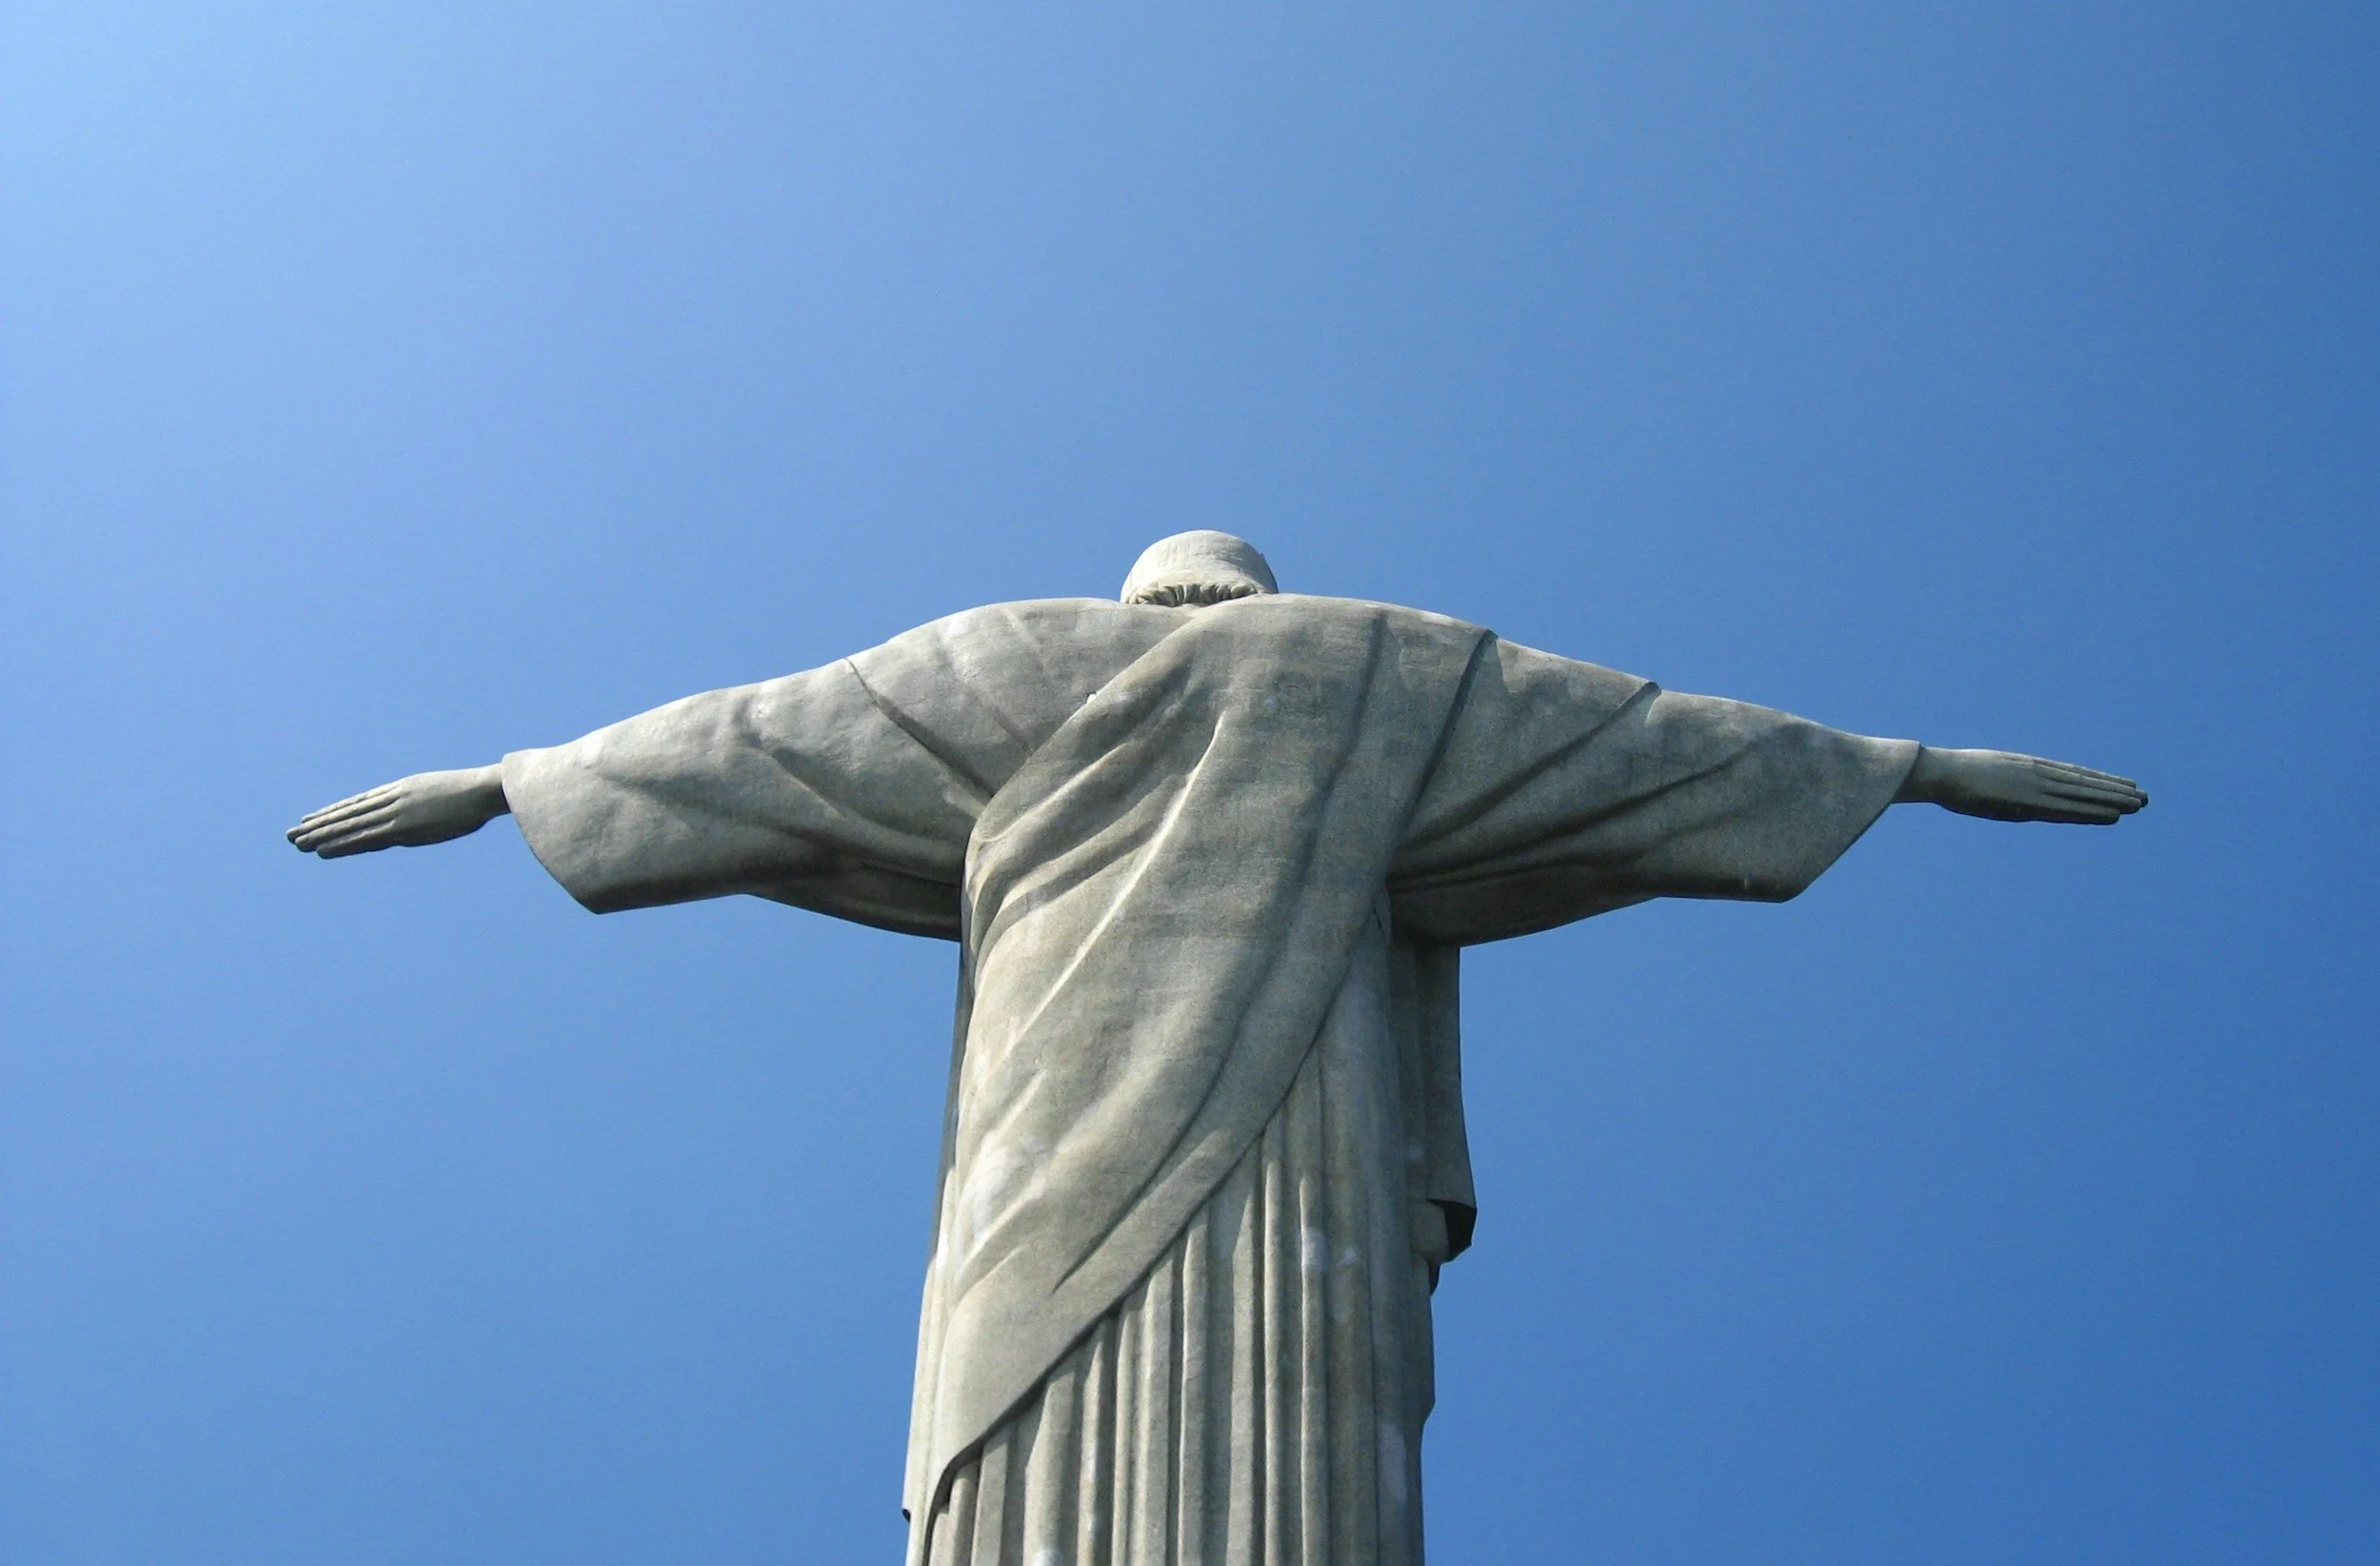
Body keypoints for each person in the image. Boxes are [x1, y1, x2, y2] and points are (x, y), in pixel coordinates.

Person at [289, 530, 2144, 1566]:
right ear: (1252, 591)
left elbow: (760, 740)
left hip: (1049, 1151)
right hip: (1293, 1138)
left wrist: (512, 780)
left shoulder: (1011, 654)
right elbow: (1643, 744)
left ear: (1147, 591)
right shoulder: (1372, 665)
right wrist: (1901, 768)